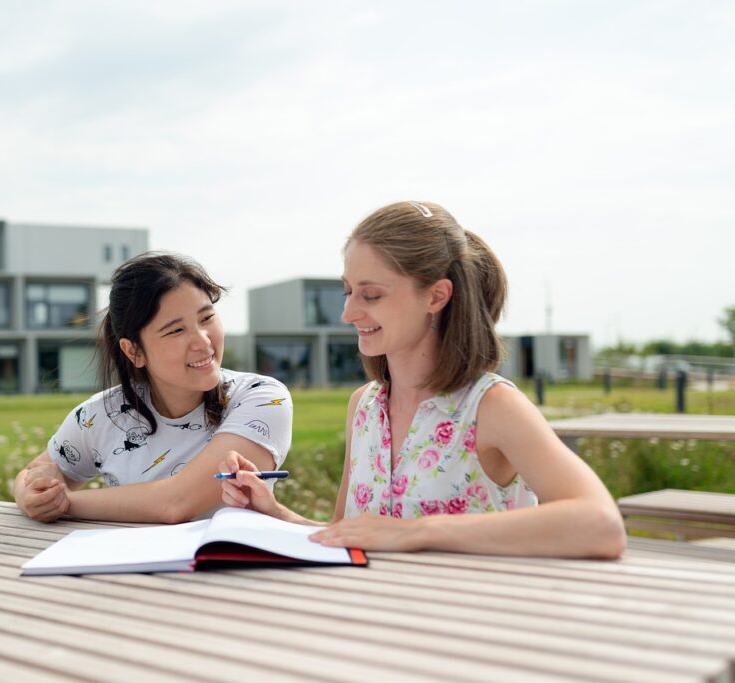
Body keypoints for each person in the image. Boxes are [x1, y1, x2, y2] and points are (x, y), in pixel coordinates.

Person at [220, 201, 626, 558]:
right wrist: (274, 512)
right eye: (347, 292)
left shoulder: (492, 407)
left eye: (371, 295)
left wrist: (416, 533)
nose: (348, 313)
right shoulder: (363, 407)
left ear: (436, 296)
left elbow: (601, 524)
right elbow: (351, 535)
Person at [14, 252, 293, 524]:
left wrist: (65, 503)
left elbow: (177, 502)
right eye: (176, 330)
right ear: (133, 351)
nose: (203, 342)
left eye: (206, 318)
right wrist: (30, 495)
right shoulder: (99, 416)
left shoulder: (263, 398)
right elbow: (34, 473)